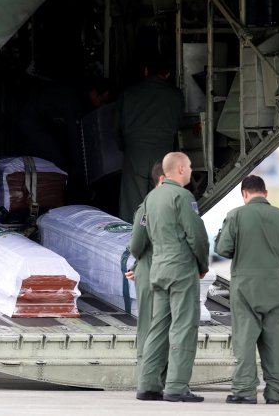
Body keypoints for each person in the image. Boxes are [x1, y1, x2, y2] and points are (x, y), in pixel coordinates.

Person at [214, 175, 279, 405]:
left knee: (245, 341)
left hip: (246, 288)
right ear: (266, 193)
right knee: (275, 342)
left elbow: (223, 248)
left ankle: (244, 391)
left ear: (244, 194)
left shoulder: (236, 215)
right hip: (275, 286)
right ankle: (276, 392)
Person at [136, 152, 209, 402]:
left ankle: (147, 385)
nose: (191, 170)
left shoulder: (150, 198)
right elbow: (196, 235)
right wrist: (202, 264)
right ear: (179, 169)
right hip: (180, 270)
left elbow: (140, 235)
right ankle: (176, 386)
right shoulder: (182, 196)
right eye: (188, 166)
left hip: (158, 270)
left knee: (158, 327)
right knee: (183, 326)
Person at [116, 58, 184, 223]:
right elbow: (179, 125)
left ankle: (131, 242)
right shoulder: (175, 95)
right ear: (167, 74)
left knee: (132, 206)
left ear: (146, 71)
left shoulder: (129, 94)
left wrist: (124, 147)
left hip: (135, 154)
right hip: (163, 155)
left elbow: (117, 127)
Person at [125, 162, 164, 399]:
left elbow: (138, 246)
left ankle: (157, 378)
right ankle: (149, 379)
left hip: (152, 271)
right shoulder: (149, 207)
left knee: (155, 326)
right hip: (154, 272)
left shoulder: (153, 206)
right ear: (162, 178)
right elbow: (137, 245)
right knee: (151, 326)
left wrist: (137, 264)